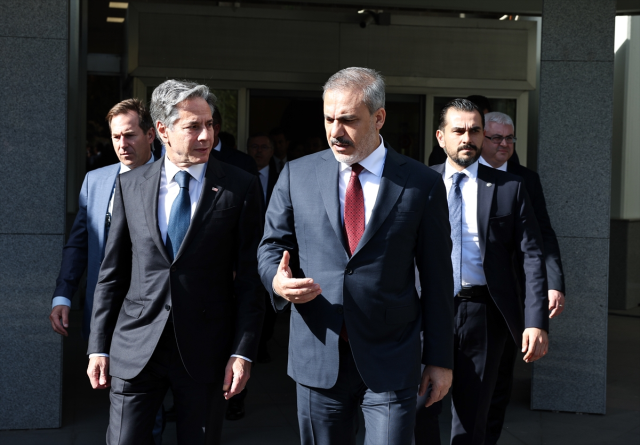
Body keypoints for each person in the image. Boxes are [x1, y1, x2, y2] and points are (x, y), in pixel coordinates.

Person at [258, 67, 454, 445]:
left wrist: (440, 359)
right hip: (317, 353)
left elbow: (437, 278)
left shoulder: (421, 183)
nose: (335, 131)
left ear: (379, 118)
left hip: (391, 357)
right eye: (329, 119)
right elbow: (270, 246)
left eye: (348, 119)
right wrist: (277, 281)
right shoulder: (297, 175)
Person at [86, 80, 265, 445]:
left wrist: (242, 351)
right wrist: (98, 345)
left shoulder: (240, 186)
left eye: (209, 124)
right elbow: (112, 273)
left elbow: (250, 278)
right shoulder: (131, 185)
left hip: (205, 350)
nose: (207, 135)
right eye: (193, 126)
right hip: (136, 345)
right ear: (163, 130)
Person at [425, 98, 549, 445]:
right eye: (458, 131)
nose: (467, 138)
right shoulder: (419, 183)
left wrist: (535, 320)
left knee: (473, 417)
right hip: (426, 311)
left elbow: (531, 255)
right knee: (420, 409)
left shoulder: (510, 187)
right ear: (441, 137)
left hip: (482, 313)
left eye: (475, 130)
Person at [479, 111, 566, 445]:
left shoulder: (525, 179)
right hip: (461, 294)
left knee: (499, 378)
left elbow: (543, 234)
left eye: (509, 138)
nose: (504, 144)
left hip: (509, 295)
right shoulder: (459, 173)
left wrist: (554, 282)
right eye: (496, 138)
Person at [49, 98, 155, 340]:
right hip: (102, 314)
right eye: (116, 137)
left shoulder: (172, 181)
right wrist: (63, 295)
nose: (122, 144)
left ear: (150, 135)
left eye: (130, 135)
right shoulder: (95, 181)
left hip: (153, 317)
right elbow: (79, 245)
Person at [247, 132, 280, 362]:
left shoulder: (283, 176)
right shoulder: (240, 175)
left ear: (272, 151)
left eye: (264, 147)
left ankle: (263, 343)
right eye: (254, 146)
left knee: (270, 298)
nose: (258, 151)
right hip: (247, 249)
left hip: (274, 250)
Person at [209, 109, 258, 175]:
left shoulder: (244, 162)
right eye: (195, 127)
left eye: (197, 127)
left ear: (216, 129)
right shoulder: (193, 158)